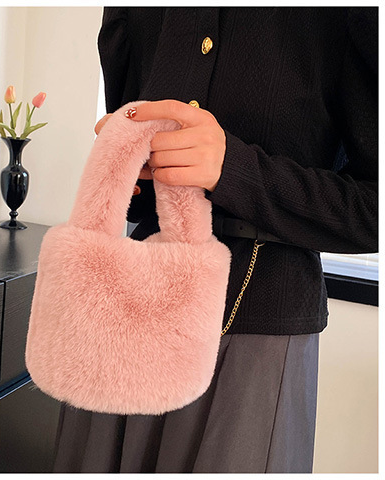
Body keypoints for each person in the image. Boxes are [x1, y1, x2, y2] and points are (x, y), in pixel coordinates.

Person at [52, 7, 377, 473]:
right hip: (131, 309)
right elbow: (141, 190)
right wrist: (132, 166)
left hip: (255, 330)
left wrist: (235, 170)